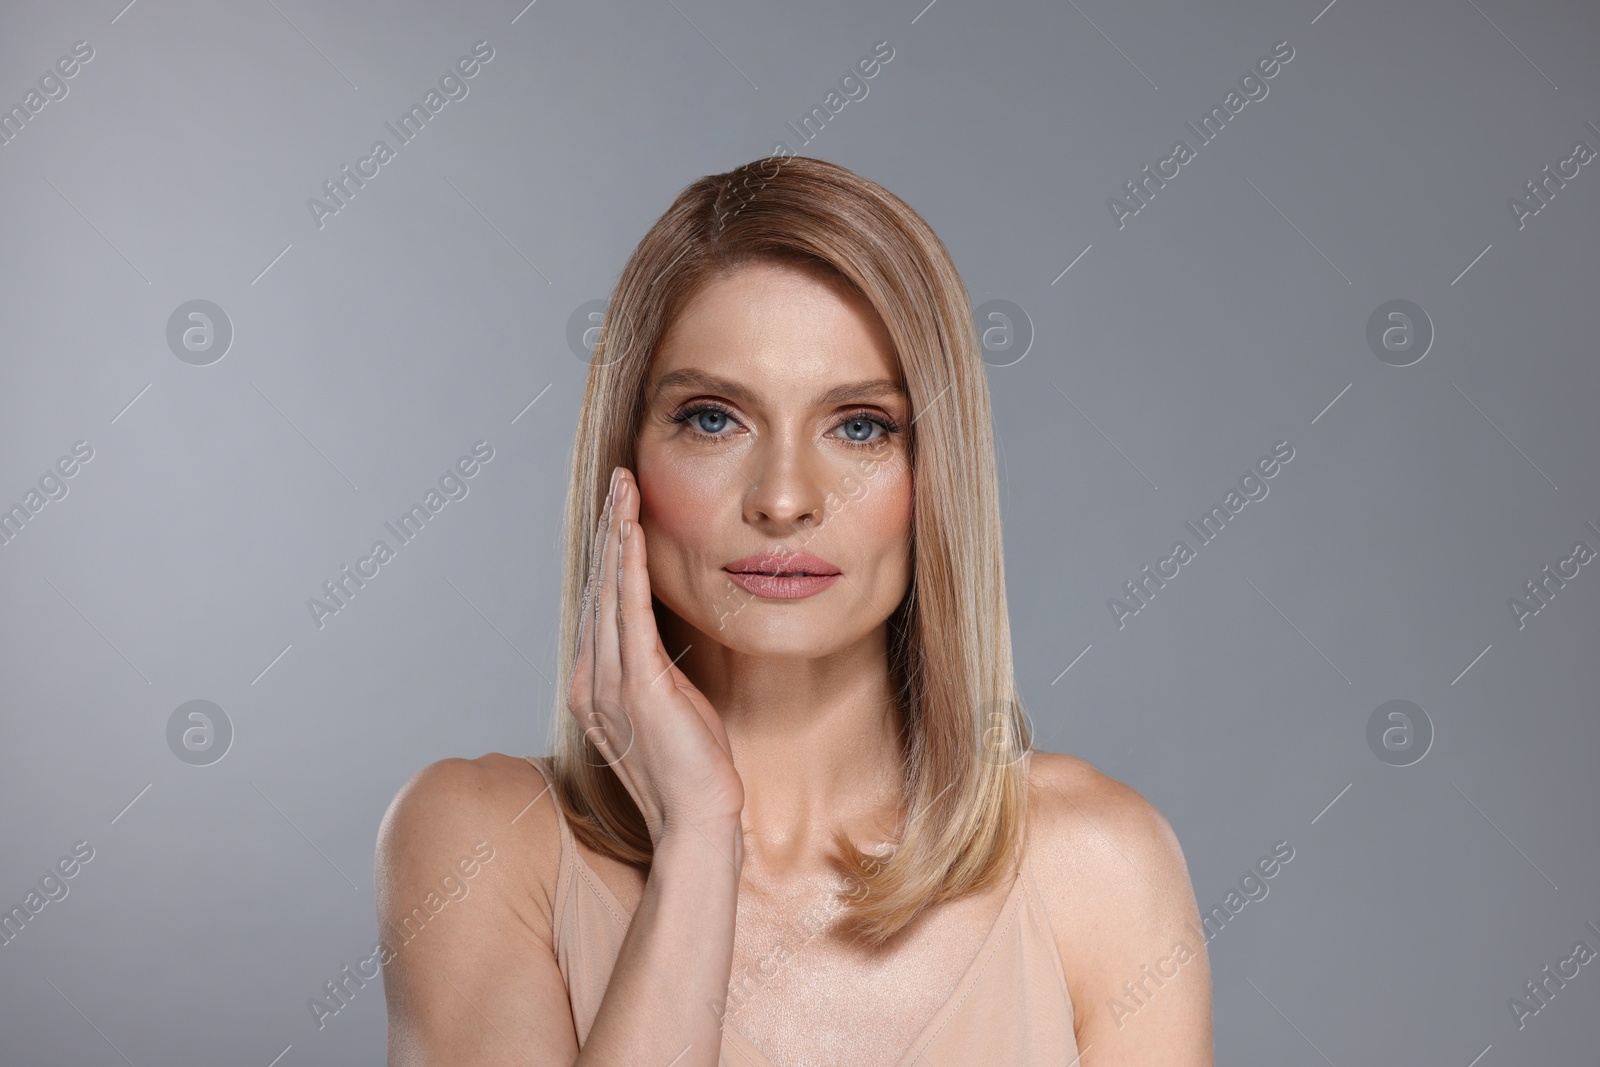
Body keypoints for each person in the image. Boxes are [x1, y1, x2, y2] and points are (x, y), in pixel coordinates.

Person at [375, 155, 1214, 1065]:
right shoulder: (478, 844)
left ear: (936, 477)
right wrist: (698, 843)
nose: (783, 498)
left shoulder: (1099, 867)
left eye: (860, 425)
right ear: (624, 464)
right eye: (712, 418)